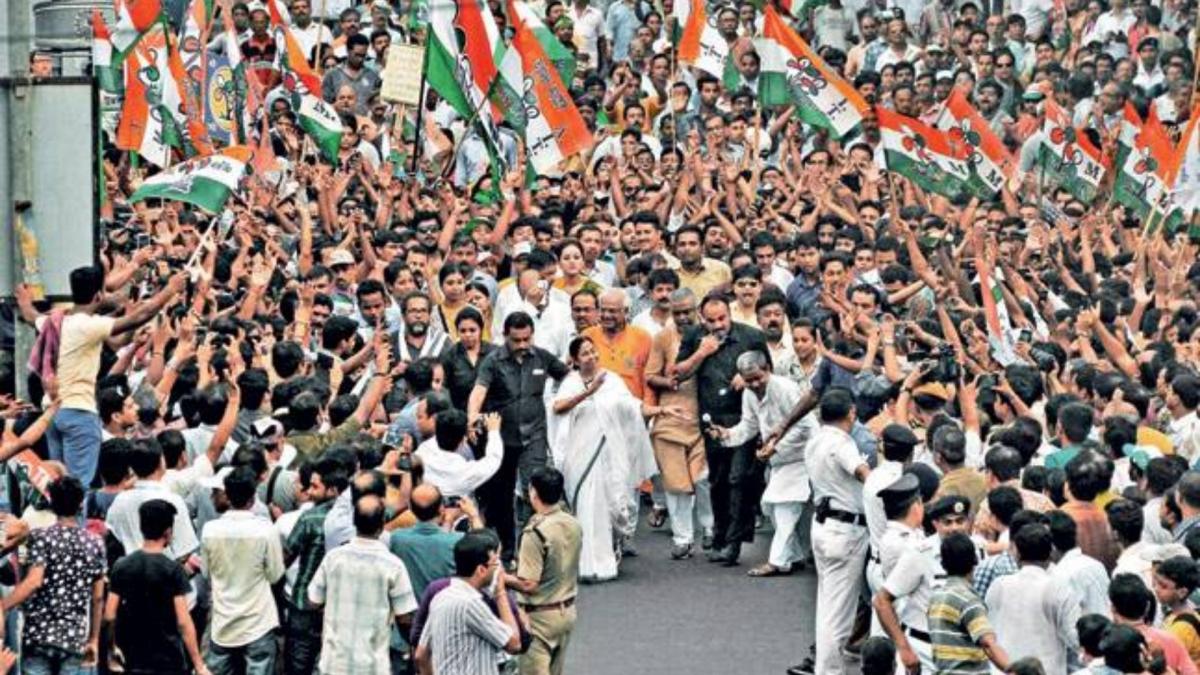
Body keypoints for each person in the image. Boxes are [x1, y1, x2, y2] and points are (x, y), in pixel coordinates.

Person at [552, 336, 677, 580]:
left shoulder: (611, 380)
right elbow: (558, 408)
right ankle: (586, 563)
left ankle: (608, 552)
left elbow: (631, 407)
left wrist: (661, 410)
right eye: (585, 353)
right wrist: (589, 392)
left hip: (608, 454)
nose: (592, 356)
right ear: (576, 360)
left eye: (593, 351)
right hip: (579, 457)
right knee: (585, 506)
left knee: (610, 507)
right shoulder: (571, 382)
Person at [48, 266, 184, 484]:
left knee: (57, 480)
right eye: (129, 406)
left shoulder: (62, 320)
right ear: (98, 295)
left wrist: (133, 340)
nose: (136, 407)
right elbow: (143, 315)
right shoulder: (88, 324)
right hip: (78, 412)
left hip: (57, 411)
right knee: (75, 487)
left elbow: (118, 340)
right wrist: (170, 289)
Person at [675, 294, 770, 566]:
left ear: (731, 314)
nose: (718, 325)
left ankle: (734, 542)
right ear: (702, 319)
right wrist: (701, 352)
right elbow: (678, 373)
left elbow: (768, 374)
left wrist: (749, 375)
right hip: (713, 419)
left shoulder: (751, 336)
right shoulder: (695, 336)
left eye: (723, 318)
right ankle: (719, 536)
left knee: (738, 479)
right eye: (712, 320)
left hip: (744, 419)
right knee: (717, 479)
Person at [469, 311, 570, 562]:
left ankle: (533, 546)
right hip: (502, 437)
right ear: (505, 336)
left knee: (533, 490)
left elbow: (568, 376)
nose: (523, 345)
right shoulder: (493, 360)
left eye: (527, 339)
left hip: (534, 435)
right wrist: (472, 415)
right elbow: (479, 390)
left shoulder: (542, 357)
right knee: (501, 497)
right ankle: (508, 550)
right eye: (517, 340)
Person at [710, 351, 816, 576]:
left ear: (768, 369)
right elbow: (749, 426)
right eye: (749, 381)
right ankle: (793, 556)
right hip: (779, 460)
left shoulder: (785, 388)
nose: (755, 384)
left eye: (759, 378)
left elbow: (805, 426)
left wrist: (774, 446)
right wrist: (726, 434)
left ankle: (777, 561)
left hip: (802, 456)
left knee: (785, 508)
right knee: (771, 508)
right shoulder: (749, 394)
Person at [4, 476, 106, 675]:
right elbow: (98, 596)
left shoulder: (40, 537)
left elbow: (33, 581)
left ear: (52, 502)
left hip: (38, 634)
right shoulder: (95, 543)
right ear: (80, 504)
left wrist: (4, 605)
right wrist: (93, 639)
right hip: (74, 636)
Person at [308, 494, 418, 674]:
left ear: (354, 522)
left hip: (333, 663)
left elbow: (313, 600)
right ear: (382, 524)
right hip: (372, 666)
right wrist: (412, 644)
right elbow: (405, 617)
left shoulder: (333, 558)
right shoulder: (393, 565)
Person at [805, 387, 871, 675]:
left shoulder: (816, 439)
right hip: (844, 531)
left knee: (827, 607)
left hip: (824, 525)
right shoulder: (842, 444)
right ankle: (829, 671)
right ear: (851, 413)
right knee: (839, 615)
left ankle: (825, 667)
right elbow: (861, 473)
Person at [644, 288, 714, 560]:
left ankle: (709, 528)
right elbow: (651, 375)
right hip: (671, 418)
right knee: (676, 485)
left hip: (704, 418)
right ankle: (682, 538)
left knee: (704, 478)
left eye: (688, 311)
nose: (683, 317)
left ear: (697, 309)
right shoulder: (663, 338)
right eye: (678, 313)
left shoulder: (709, 335)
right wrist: (668, 382)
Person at [105, 500, 209, 675]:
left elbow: (109, 615)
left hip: (134, 656)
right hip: (169, 659)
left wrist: (111, 649)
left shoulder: (122, 566)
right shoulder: (173, 569)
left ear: (142, 528)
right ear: (168, 532)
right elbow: (183, 622)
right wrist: (199, 665)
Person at [200, 466, 286, 675]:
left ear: (227, 495)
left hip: (223, 621)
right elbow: (275, 574)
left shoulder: (210, 530)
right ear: (253, 497)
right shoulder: (266, 530)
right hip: (258, 621)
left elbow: (206, 573)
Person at [505, 468, 583, 675]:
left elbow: (529, 584)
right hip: (566, 609)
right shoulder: (572, 523)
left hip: (539, 617)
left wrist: (502, 577)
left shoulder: (535, 532)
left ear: (533, 493)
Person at [414, 532, 523, 674]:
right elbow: (514, 643)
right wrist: (500, 592)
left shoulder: (440, 597)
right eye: (496, 563)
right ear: (481, 570)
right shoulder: (470, 604)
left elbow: (421, 656)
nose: (499, 570)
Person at [986, 521, 1082, 672]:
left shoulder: (999, 585)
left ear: (1016, 552)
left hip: (1006, 670)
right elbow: (1074, 638)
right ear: (1051, 552)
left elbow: (988, 633)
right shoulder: (1059, 588)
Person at [927, 532, 1011, 673]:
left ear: (943, 563)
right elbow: (988, 644)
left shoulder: (935, 597)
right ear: (975, 560)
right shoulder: (968, 601)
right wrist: (1014, 670)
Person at [388, 485, 466, 598]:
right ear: (441, 508)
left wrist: (448, 521)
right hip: (443, 611)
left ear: (410, 508)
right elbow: (484, 547)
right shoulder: (458, 541)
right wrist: (474, 515)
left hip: (411, 612)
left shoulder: (397, 538)